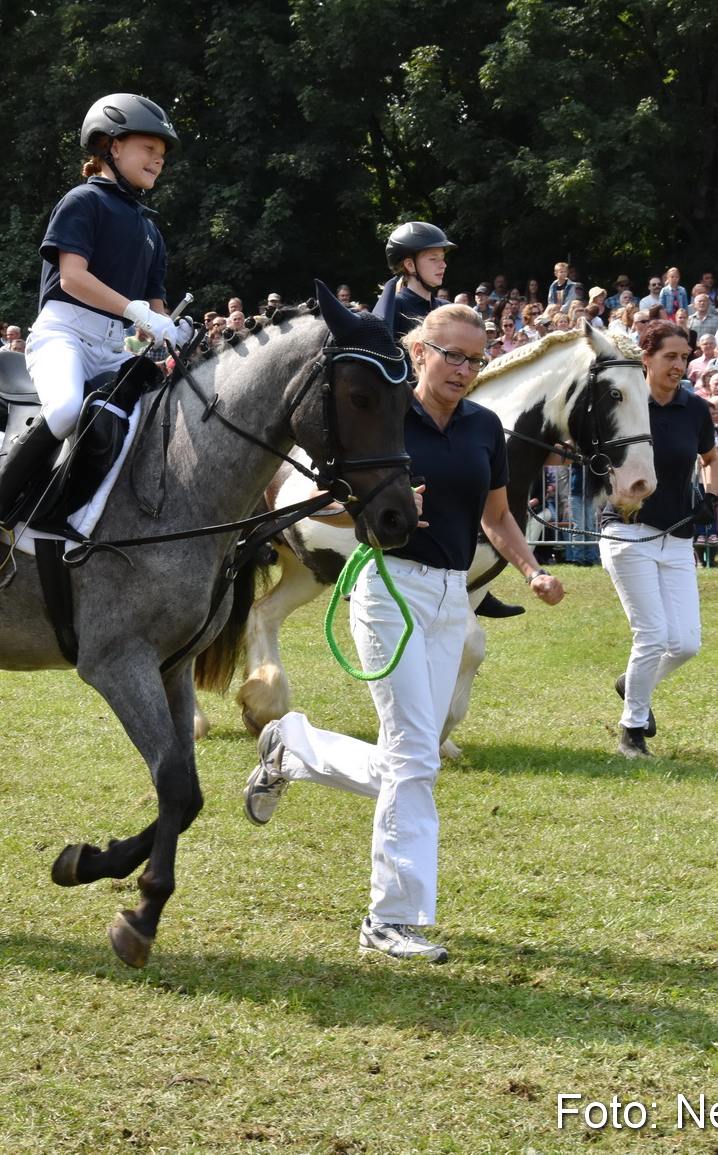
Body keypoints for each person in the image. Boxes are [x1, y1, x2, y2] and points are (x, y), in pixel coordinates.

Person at [241, 304, 565, 964]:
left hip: (452, 597)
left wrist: (530, 569)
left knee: (410, 757)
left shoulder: (482, 427)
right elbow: (322, 497)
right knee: (416, 757)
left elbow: (497, 517)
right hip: (388, 588)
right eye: (453, 355)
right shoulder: (387, 415)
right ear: (420, 352)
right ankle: (389, 920)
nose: (465, 370)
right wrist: (366, 502)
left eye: (476, 359)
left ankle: (294, 745)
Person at [0, 93, 182, 589]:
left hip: (115, 344)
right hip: (65, 334)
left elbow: (156, 311)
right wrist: (137, 311)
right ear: (111, 147)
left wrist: (174, 332)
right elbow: (73, 278)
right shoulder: (82, 202)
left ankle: (76, 519)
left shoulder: (150, 232)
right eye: (148, 147)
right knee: (65, 412)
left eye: (162, 152)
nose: (158, 158)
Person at [602, 322, 718, 757]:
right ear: (645, 359)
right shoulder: (624, 404)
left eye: (685, 356)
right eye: (671, 356)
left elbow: (711, 459)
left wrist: (710, 494)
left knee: (686, 643)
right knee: (651, 635)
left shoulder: (695, 408)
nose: (680, 364)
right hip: (628, 531)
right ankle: (631, 732)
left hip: (678, 536)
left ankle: (631, 682)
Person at [372, 221, 456, 342]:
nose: (443, 265)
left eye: (442, 258)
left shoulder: (447, 308)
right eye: (433, 259)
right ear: (410, 265)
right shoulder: (395, 306)